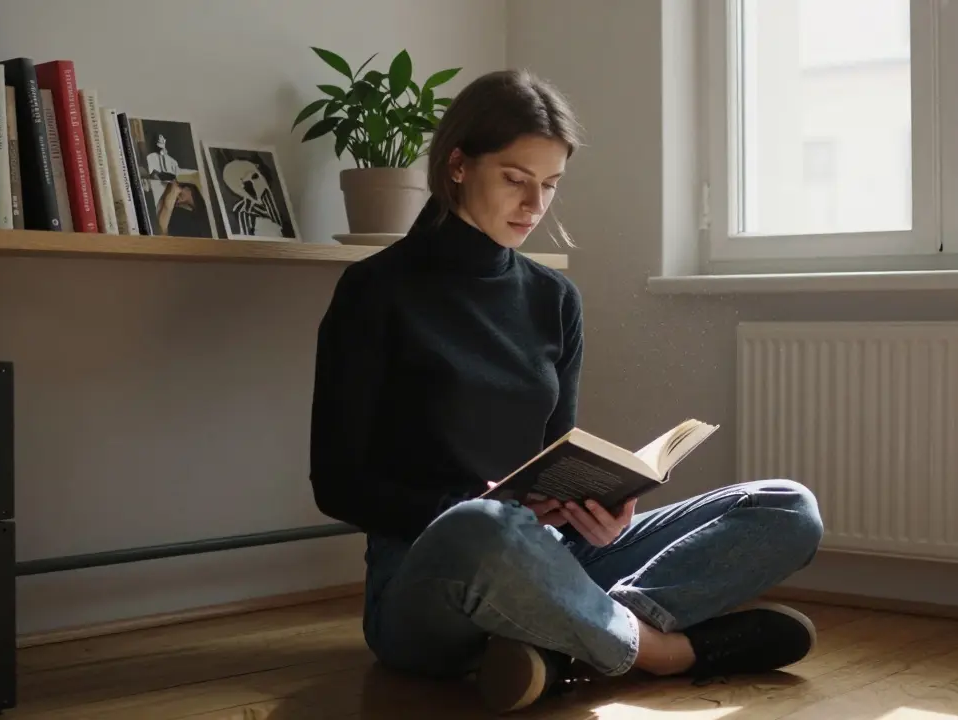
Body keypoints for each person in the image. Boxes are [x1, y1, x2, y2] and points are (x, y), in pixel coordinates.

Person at [309, 68, 825, 714]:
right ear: (458, 165)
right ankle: (667, 651)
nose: (534, 206)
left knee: (788, 507)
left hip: (557, 557)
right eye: (516, 180)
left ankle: (558, 645)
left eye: (550, 185)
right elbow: (335, 483)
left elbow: (558, 459)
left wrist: (601, 510)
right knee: (484, 527)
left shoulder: (554, 301)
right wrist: (470, 502)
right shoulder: (374, 292)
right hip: (434, 573)